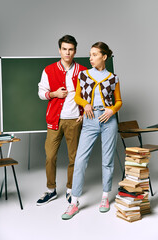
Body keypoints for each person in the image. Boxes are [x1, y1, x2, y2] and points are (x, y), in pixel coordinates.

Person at [62, 41, 122, 219]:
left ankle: (105, 197)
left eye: (95, 55)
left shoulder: (113, 78)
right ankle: (74, 203)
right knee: (80, 161)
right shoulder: (84, 75)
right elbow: (78, 97)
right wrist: (86, 104)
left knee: (107, 161)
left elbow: (119, 101)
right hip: (89, 120)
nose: (91, 58)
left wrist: (112, 110)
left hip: (108, 120)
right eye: (90, 54)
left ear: (104, 57)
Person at [37, 35, 87, 206]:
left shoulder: (82, 70)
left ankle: (70, 189)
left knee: (74, 158)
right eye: (64, 49)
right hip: (54, 121)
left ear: (75, 51)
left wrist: (84, 113)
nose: (67, 52)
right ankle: (51, 190)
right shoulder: (49, 70)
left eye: (71, 49)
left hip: (75, 120)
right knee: (50, 156)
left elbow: (90, 95)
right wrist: (54, 94)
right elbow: (41, 93)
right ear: (59, 50)